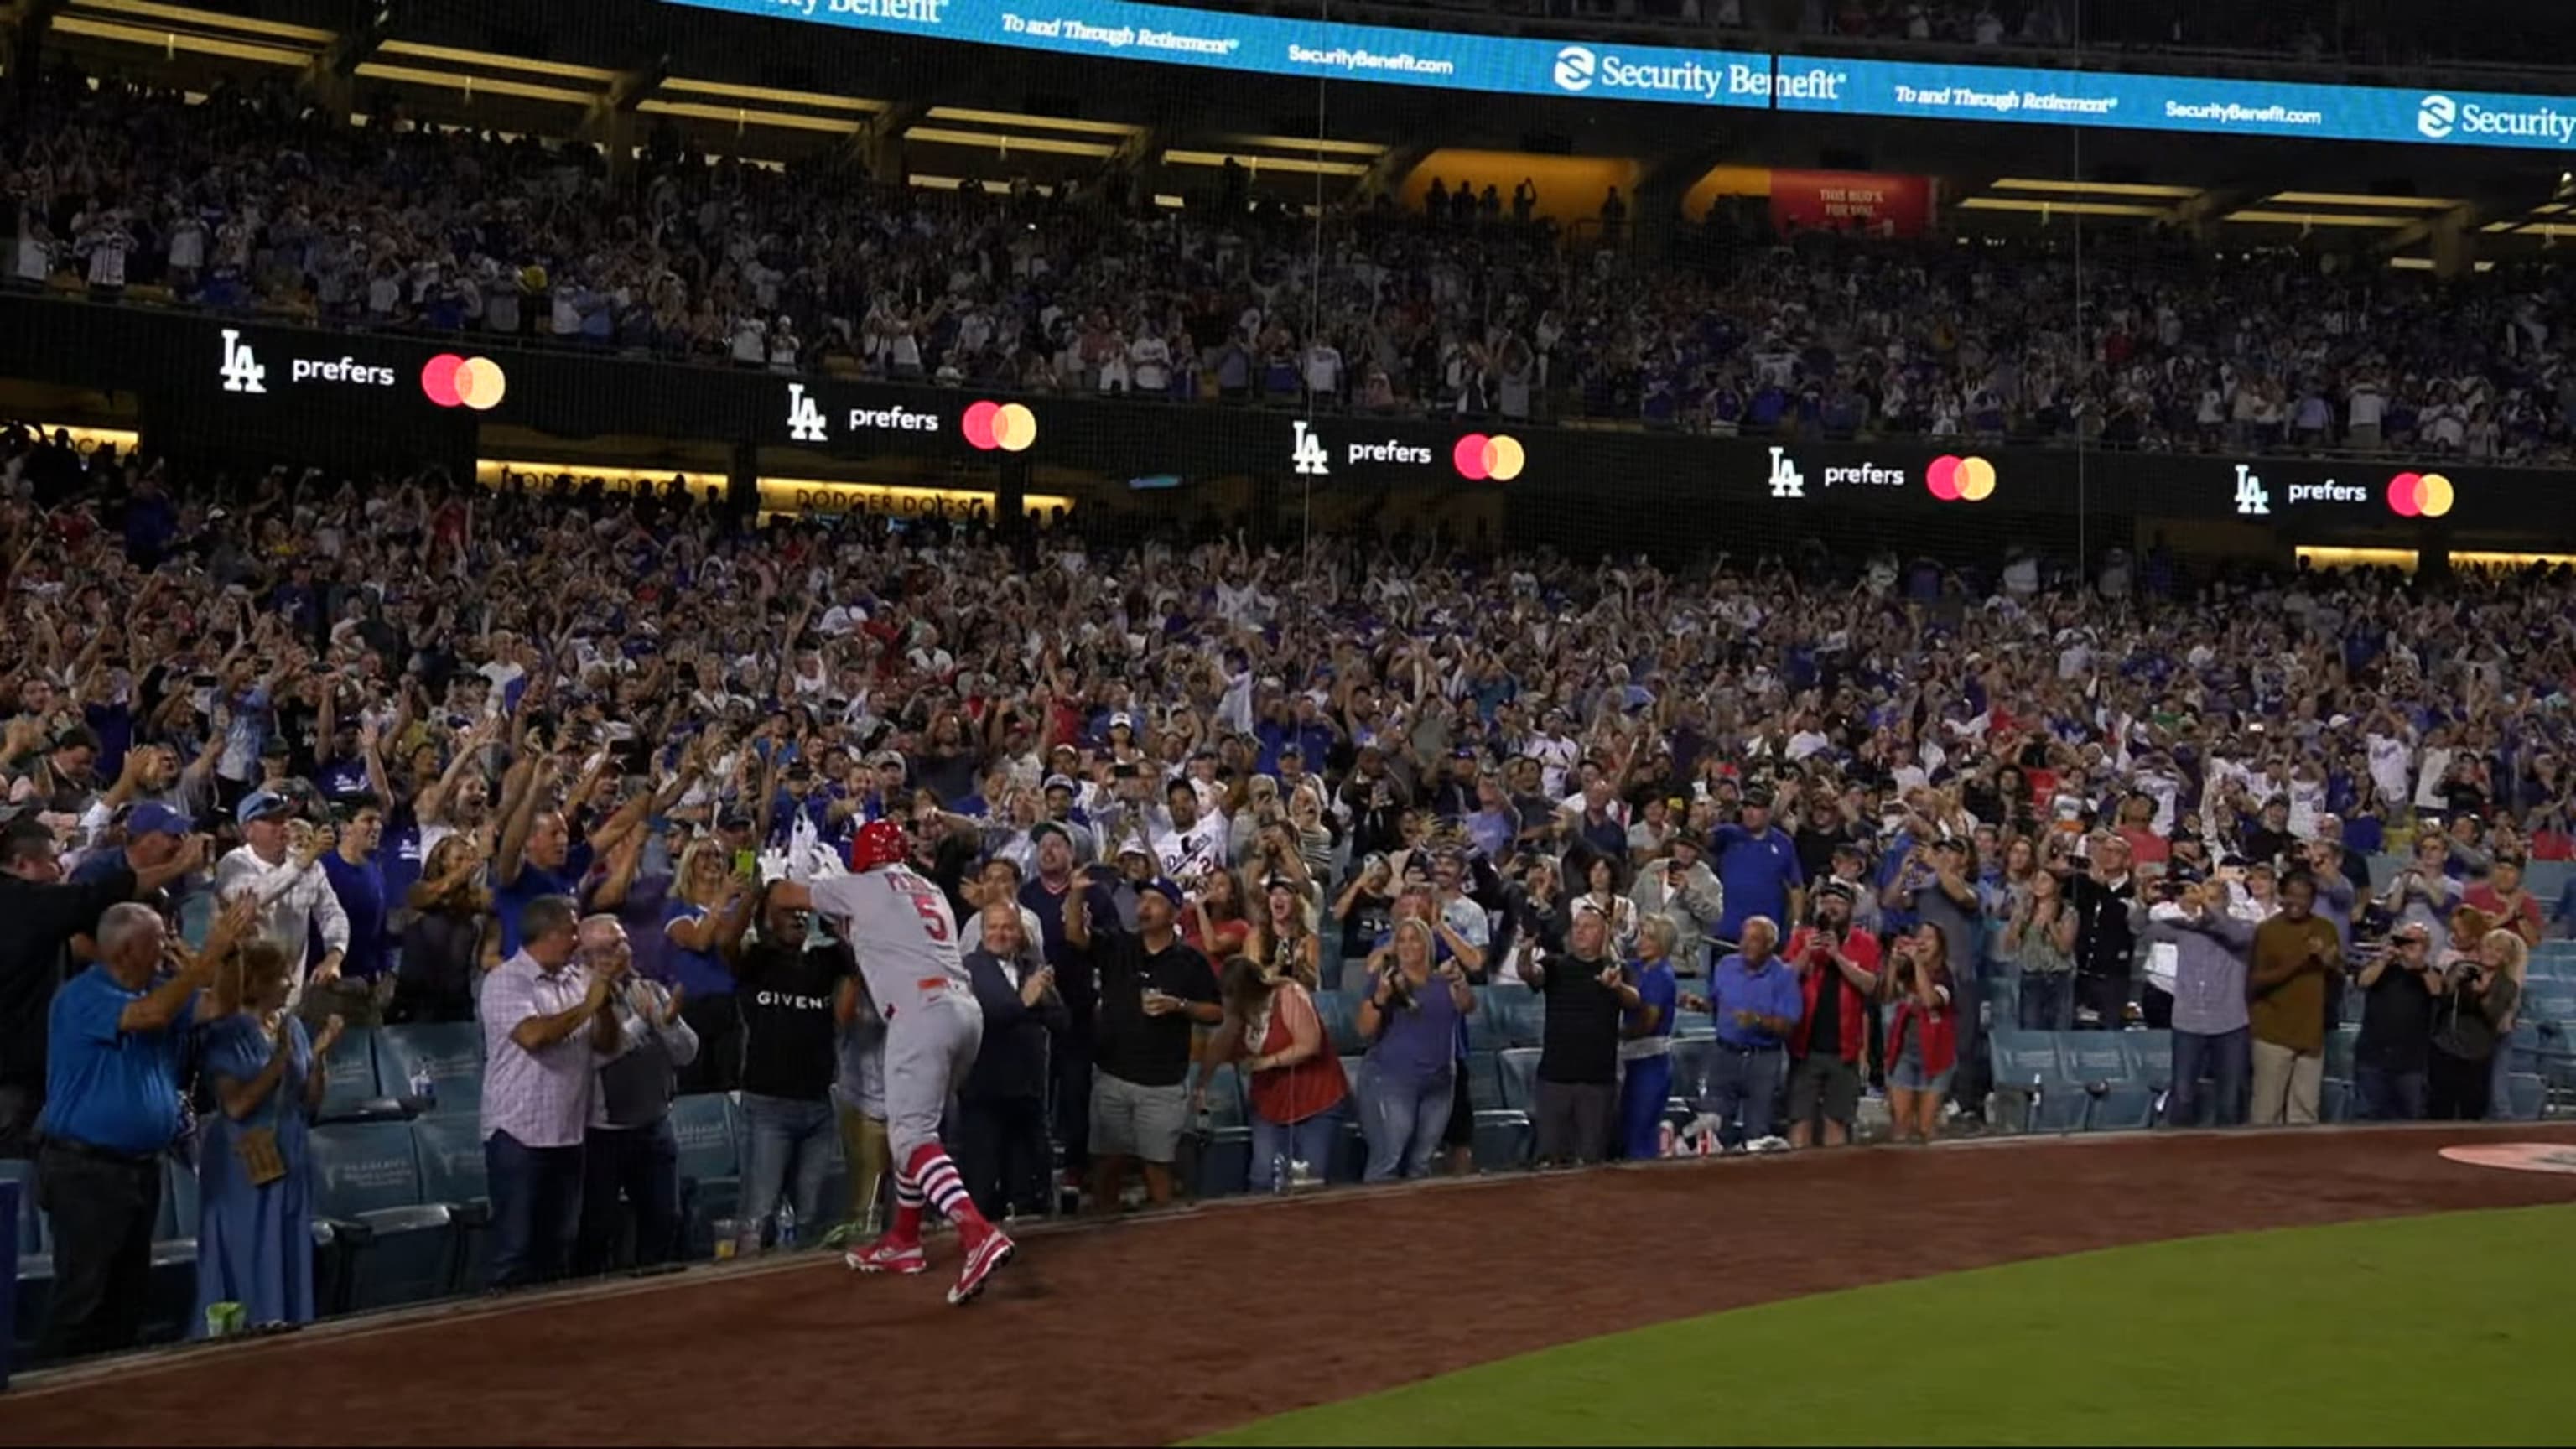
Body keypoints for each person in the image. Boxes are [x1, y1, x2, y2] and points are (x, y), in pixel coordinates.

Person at [773, 821, 1019, 1306]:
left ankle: (976, 1233)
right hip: (964, 1014)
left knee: (910, 1138)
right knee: (915, 1128)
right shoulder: (927, 887)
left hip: (920, 1012)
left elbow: (784, 894)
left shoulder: (862, 884)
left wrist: (805, 878)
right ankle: (905, 1240)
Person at [38, 898, 241, 1357]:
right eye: (159, 940)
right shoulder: (82, 997)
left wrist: (229, 956)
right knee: (83, 1299)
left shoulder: (163, 989)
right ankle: (46, 1403)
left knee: (127, 1300)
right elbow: (151, 1016)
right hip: (86, 1171)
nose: (168, 945)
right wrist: (207, 954)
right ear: (126, 951)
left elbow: (224, 1004)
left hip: (140, 1169)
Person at [2, 816, 205, 1156]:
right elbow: (96, 896)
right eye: (51, 861)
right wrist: (179, 865)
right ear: (22, 864)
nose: (58, 870)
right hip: (13, 1079)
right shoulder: (23, 903)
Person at [194, 937, 345, 1332]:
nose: (288, 984)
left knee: (287, 1245)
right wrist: (277, 1064)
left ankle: (286, 1320)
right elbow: (237, 1106)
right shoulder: (226, 1032)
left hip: (289, 1153)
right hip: (242, 1161)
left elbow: (309, 1101)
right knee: (248, 1248)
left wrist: (320, 1054)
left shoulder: (292, 1026)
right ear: (256, 983)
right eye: (280, 976)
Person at [1053, 867, 1219, 1220]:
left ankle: (1163, 1248)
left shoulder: (1190, 960)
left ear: (1174, 913)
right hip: (1113, 1076)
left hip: (1162, 1084)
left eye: (1155, 902)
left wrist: (1181, 1006)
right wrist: (1076, 894)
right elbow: (1075, 937)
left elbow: (1216, 1012)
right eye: (1142, 900)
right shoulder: (1118, 945)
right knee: (1107, 1167)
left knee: (1158, 1170)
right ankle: (1104, 1245)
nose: (1144, 908)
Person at [478, 897, 624, 1290]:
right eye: (573, 931)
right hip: (518, 1135)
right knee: (516, 1251)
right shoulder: (506, 980)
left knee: (559, 1249)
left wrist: (604, 1003)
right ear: (551, 933)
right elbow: (533, 1036)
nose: (578, 941)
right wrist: (587, 1007)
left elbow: (608, 1045)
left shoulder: (577, 980)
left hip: (568, 1134)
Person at [576, 924, 696, 1275]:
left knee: (664, 1218)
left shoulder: (649, 989)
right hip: (602, 1132)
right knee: (596, 1228)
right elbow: (594, 1058)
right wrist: (644, 1024)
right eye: (609, 947)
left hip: (654, 1125)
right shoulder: (577, 995)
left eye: (623, 942)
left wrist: (668, 1023)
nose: (620, 952)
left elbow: (686, 1054)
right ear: (585, 957)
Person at [955, 909, 1065, 1222]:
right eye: (993, 927)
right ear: (982, 931)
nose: (1000, 934)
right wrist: (1025, 1003)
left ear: (1020, 933)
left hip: (1028, 1093)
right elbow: (988, 1015)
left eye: (1008, 928)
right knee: (982, 1187)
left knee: (1030, 1190)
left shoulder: (1033, 968)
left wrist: (1043, 1000)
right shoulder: (969, 969)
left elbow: (1061, 1021)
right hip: (984, 1094)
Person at [1206, 953, 1348, 1191]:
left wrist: (1267, 1062)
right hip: (1270, 1103)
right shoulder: (1237, 1015)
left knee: (1307, 1179)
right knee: (1262, 1178)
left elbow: (1309, 1044)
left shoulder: (1288, 995)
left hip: (1316, 1098)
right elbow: (1223, 1051)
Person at [213, 791, 349, 1013]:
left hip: (291, 994)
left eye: (285, 819)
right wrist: (304, 861)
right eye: (273, 821)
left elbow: (332, 914)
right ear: (248, 829)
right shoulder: (233, 863)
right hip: (245, 993)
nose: (283, 826)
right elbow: (256, 896)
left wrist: (334, 955)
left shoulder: (309, 864)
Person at [1353, 917, 1469, 1182]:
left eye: (1414, 939)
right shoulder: (1385, 982)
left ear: (1426, 945)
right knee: (1388, 1158)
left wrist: (1461, 982)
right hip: (1392, 1081)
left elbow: (1467, 1006)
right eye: (1401, 940)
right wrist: (1379, 999)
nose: (1407, 946)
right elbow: (1363, 1030)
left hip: (1439, 1083)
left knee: (1421, 1162)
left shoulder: (1444, 982)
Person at [1526, 907, 1639, 1166]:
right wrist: (1524, 953)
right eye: (1577, 925)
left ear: (1604, 933)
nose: (1580, 931)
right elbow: (1531, 974)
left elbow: (1634, 1001)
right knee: (1551, 1159)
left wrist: (1617, 986)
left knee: (1592, 1159)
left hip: (1597, 1082)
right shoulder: (1554, 965)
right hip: (1555, 1079)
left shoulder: (1617, 969)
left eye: (1588, 926)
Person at [2144, 881, 2253, 1128]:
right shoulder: (2186, 930)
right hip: (2188, 1024)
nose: (2205, 904)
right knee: (2182, 1096)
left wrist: (2207, 908)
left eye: (2213, 899)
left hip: (2230, 1025)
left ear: (2226, 902)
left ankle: (2229, 1155)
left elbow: (2235, 934)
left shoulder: (2243, 928)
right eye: (2204, 898)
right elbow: (2147, 931)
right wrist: (2152, 902)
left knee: (2230, 1098)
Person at [1686, 917, 1800, 1153]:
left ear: (1770, 945)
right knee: (1713, 1124)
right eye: (1744, 938)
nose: (1745, 945)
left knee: (1756, 1132)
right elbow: (1715, 1002)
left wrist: (1758, 1020)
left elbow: (1788, 1026)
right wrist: (1701, 1004)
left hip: (1762, 1061)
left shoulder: (1784, 976)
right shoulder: (1726, 965)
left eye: (1754, 940)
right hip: (1724, 1055)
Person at [1784, 882, 1878, 1149]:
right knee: (1799, 1120)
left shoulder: (1865, 942)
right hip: (1805, 1046)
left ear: (1850, 909)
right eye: (1825, 902)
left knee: (1836, 1123)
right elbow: (1785, 980)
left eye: (1838, 902)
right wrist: (1805, 953)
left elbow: (1870, 985)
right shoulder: (1802, 937)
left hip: (1845, 1048)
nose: (1830, 907)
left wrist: (1837, 955)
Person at [2246, 873, 2339, 1127]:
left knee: (2305, 1114)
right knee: (2267, 1113)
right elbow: (2256, 981)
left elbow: (2336, 972)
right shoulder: (2267, 931)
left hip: (2311, 1034)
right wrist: (2300, 960)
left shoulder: (2325, 929)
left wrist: (2326, 960)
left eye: (2304, 897)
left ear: (2313, 900)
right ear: (2281, 895)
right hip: (2272, 1033)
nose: (2297, 902)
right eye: (2292, 895)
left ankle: (2303, 1166)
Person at [392, 832, 489, 1025]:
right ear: (443, 862)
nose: (465, 865)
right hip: (416, 1004)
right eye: (458, 859)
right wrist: (462, 872)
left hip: (458, 1004)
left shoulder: (476, 899)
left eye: (467, 860)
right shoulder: (419, 891)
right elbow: (434, 892)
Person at [2428, 928, 2524, 1120]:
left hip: (2477, 1054)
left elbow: (2493, 1016)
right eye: (2488, 947)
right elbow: (2441, 999)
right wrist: (2454, 982)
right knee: (2439, 1108)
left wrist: (2481, 995)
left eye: (2498, 950)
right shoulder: (2461, 969)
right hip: (2446, 1047)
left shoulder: (2507, 985)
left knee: (2471, 1110)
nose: (2491, 953)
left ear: (2506, 958)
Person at [2354, 920, 2440, 1122]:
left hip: (2411, 1061)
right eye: (2406, 939)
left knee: (2411, 1116)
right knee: (2367, 1115)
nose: (2410, 944)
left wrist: (2419, 965)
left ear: (2426, 947)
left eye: (2416, 941)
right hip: (2373, 1055)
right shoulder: (2381, 969)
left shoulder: (2430, 973)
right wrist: (2384, 959)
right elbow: (2363, 981)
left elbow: (2437, 990)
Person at [1883, 923, 1959, 1146]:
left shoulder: (1945, 976)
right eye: (1919, 937)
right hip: (1904, 1054)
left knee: (1926, 1127)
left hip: (1936, 1057)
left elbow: (1929, 1001)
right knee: (1901, 1124)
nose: (1922, 942)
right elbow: (1887, 996)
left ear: (1940, 946)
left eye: (1929, 938)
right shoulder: (1906, 972)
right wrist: (1892, 964)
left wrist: (1917, 963)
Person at [1615, 917, 1680, 1160]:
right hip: (1633, 1059)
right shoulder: (1639, 968)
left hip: (1651, 1063)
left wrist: (1616, 1035)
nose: (1642, 942)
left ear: (1662, 943)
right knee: (1627, 1127)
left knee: (1641, 1131)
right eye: (1642, 935)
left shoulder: (1661, 975)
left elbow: (1648, 1023)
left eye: (1650, 937)